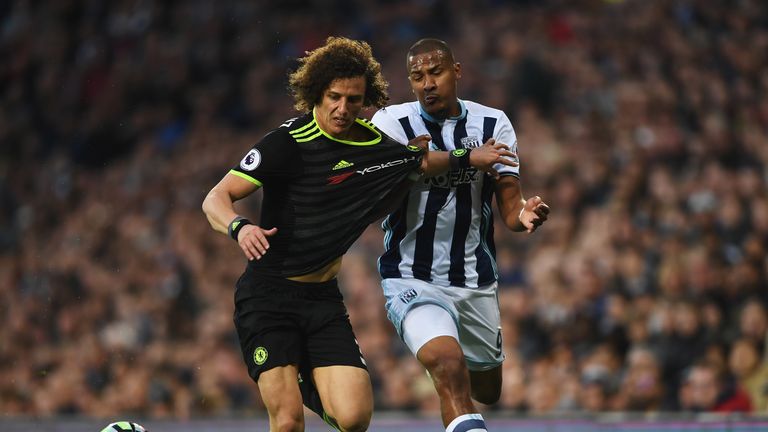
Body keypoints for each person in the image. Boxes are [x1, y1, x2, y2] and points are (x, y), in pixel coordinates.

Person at [202, 37, 430, 432]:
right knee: (288, 422)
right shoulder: (287, 143)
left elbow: (406, 171)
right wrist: (240, 227)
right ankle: (291, 374)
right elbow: (215, 198)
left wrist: (428, 159)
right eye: (334, 97)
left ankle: (301, 373)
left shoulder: (374, 145)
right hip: (268, 297)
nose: (343, 109)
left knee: (354, 419)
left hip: (322, 299)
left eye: (354, 100)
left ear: (366, 100)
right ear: (316, 94)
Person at [371, 38, 550, 432]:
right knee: (449, 367)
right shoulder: (391, 123)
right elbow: (379, 198)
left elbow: (510, 209)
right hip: (411, 276)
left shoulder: (493, 123)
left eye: (435, 73)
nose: (427, 84)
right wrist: (425, 162)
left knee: (487, 388)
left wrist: (526, 215)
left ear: (457, 71)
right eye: (417, 77)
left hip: (473, 281)